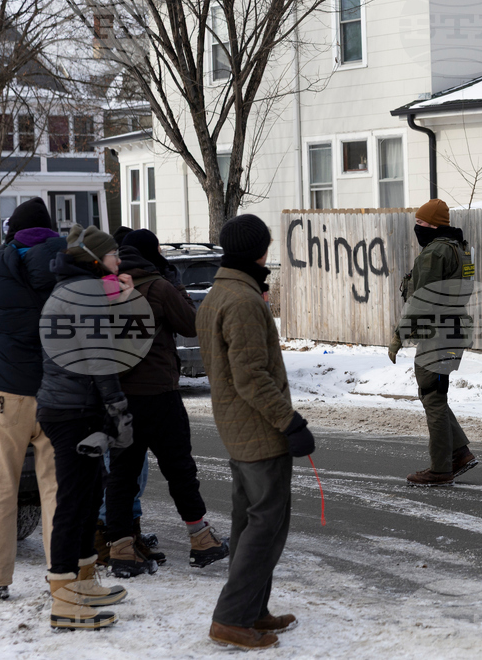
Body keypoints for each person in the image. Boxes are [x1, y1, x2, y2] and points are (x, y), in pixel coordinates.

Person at [197, 214, 313, 650]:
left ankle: (250, 610)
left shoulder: (223, 292)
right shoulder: (242, 301)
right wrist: (290, 421)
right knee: (267, 525)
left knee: (249, 523)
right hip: (258, 429)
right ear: (261, 251)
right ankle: (230, 618)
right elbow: (250, 376)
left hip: (238, 426)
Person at [102, 229, 228, 577]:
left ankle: (122, 548)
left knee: (121, 476)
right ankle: (201, 539)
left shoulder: (105, 287)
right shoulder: (158, 286)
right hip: (158, 395)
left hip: (120, 397)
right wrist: (179, 290)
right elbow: (191, 325)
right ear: (150, 255)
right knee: (179, 470)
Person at [0, 198, 64, 601]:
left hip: (8, 396)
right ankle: (64, 577)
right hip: (60, 393)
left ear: (12, 233)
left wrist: (9, 247)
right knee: (58, 490)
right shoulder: (69, 264)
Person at [37, 224, 132, 630]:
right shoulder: (83, 295)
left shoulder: (79, 290)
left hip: (77, 408)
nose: (119, 261)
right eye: (113, 255)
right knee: (74, 502)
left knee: (91, 493)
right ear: (96, 259)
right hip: (71, 410)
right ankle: (63, 600)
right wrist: (119, 410)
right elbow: (100, 359)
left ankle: (83, 581)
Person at [388, 199, 478, 488]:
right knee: (434, 393)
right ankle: (459, 453)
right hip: (454, 329)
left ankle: (440, 469)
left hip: (437, 333)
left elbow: (420, 300)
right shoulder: (460, 249)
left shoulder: (435, 253)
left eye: (424, 224)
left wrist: (398, 336)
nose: (419, 228)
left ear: (437, 226)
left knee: (432, 396)